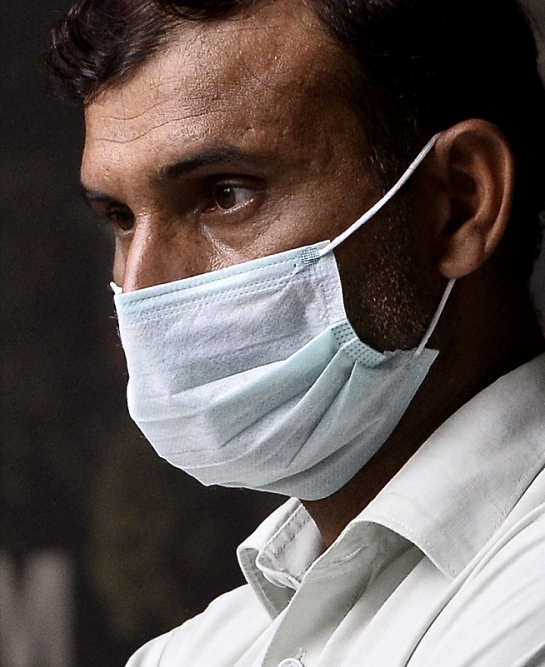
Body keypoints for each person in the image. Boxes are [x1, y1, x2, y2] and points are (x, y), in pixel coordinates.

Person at [46, 0, 545, 664]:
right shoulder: (195, 652)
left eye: (226, 194)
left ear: (459, 203)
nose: (142, 287)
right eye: (121, 217)